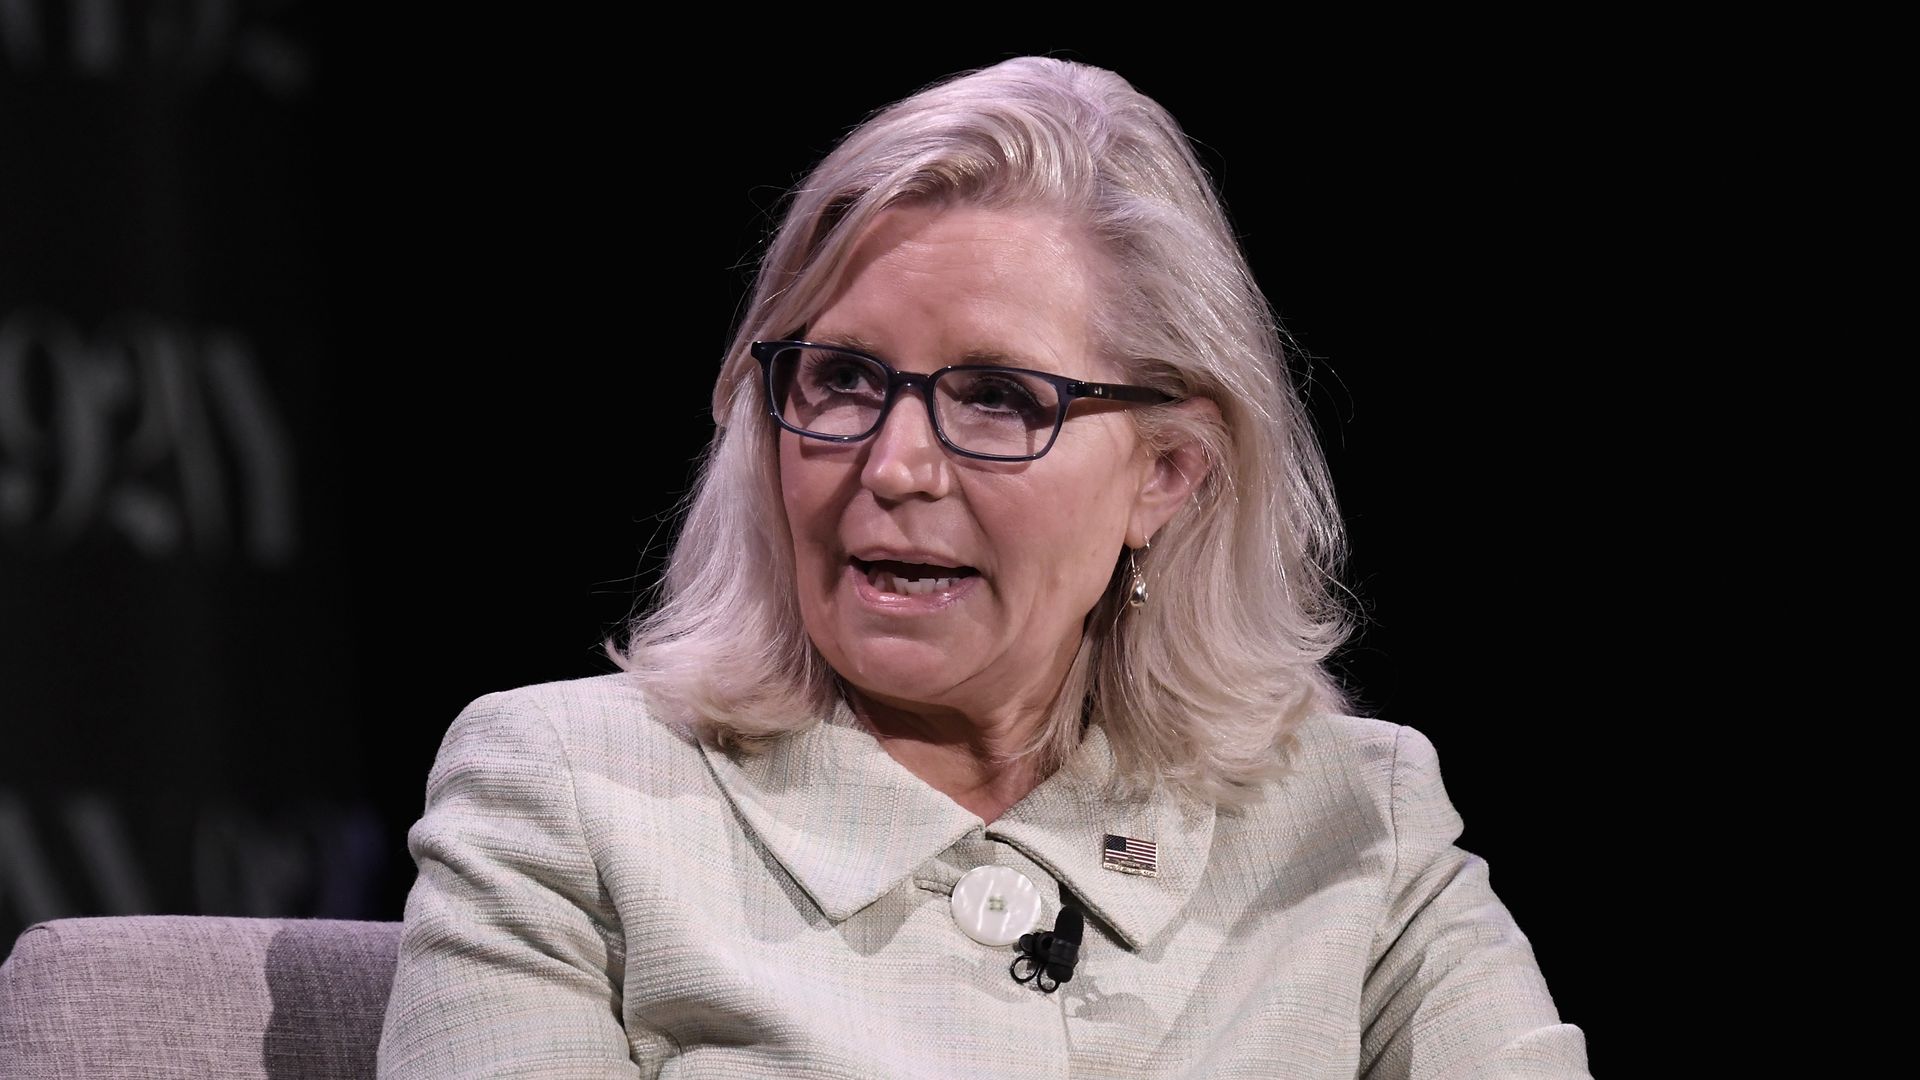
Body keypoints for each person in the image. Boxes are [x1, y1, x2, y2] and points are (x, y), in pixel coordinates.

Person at [376, 56, 1591, 1078]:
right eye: (843, 379)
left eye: (1000, 398)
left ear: (1168, 472)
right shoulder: (570, 802)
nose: (895, 465)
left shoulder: (1351, 825)